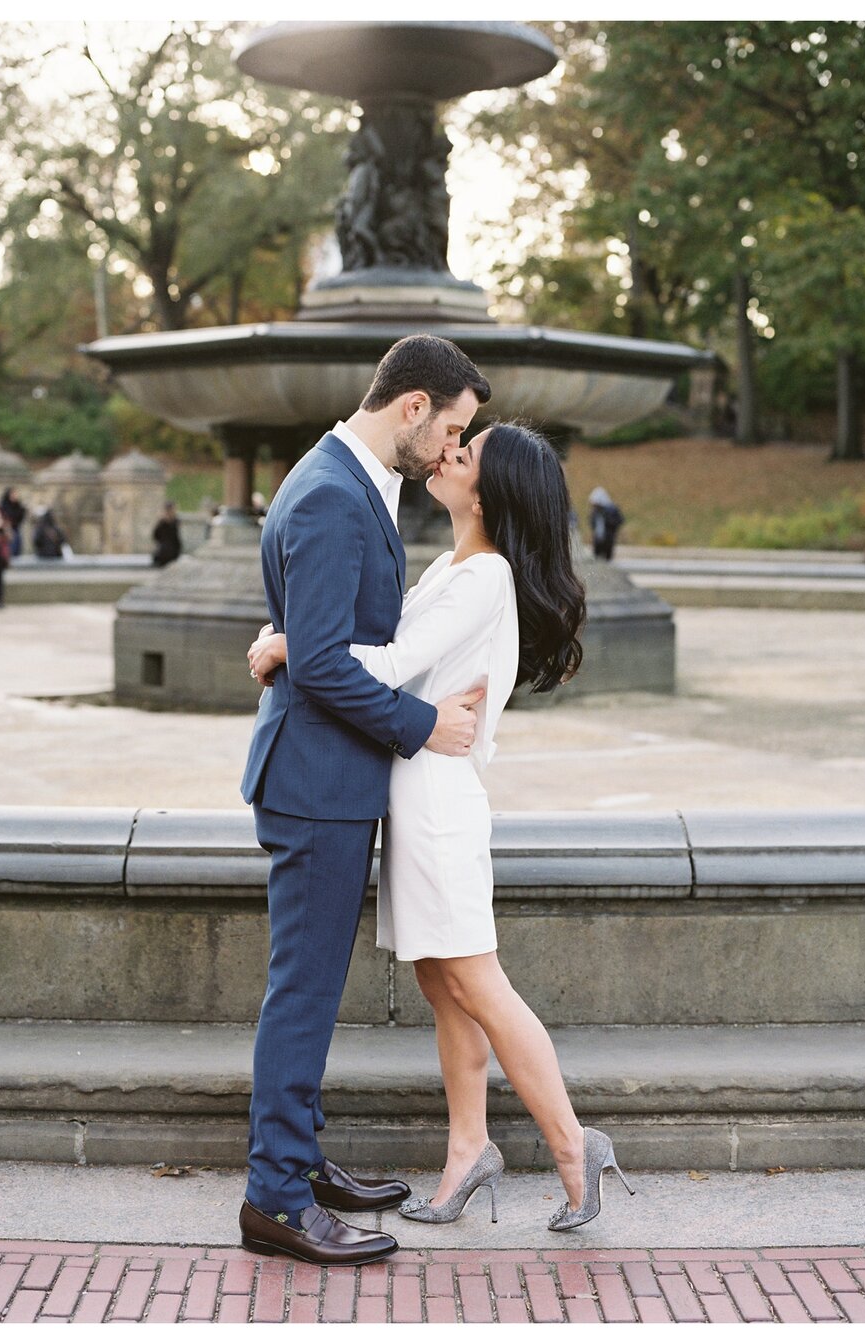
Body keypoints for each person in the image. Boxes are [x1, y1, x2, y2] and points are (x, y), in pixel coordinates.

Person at [249, 422, 635, 1238]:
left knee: (476, 980)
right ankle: (468, 1150)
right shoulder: (451, 567)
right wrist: (286, 636)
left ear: (491, 494)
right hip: (415, 788)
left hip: (438, 800)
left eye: (468, 453)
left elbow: (383, 665)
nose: (449, 454)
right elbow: (384, 644)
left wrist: (288, 645)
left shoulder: (484, 577)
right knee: (442, 983)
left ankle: (574, 1145)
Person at [237, 334, 493, 1268]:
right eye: (453, 428)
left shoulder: (333, 477)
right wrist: (423, 725)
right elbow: (326, 669)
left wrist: (286, 641)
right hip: (316, 786)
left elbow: (312, 637)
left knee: (308, 990)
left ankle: (298, 1164)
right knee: (302, 996)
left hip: (323, 780)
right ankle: (273, 1199)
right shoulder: (336, 497)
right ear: (414, 406)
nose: (451, 451)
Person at [589, 485, 624, 560]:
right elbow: (592, 522)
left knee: (607, 558)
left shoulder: (611, 510)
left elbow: (620, 520)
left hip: (609, 538)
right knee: (597, 558)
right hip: (598, 539)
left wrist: (610, 523)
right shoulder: (596, 512)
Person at [151, 502, 182, 567]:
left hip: (173, 552)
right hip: (163, 553)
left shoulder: (176, 522)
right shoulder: (162, 523)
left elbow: (177, 539)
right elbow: (156, 536)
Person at [0, 486, 26, 558]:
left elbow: (20, 518)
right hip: (6, 530)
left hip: (16, 529)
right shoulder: (4, 505)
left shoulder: (18, 506)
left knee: (17, 548)